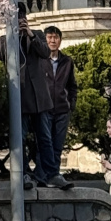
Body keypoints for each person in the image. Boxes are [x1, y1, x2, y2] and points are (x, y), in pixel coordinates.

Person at [0, 3, 50, 186]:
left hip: (39, 98)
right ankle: (24, 173)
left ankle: (46, 173)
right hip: (21, 98)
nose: (20, 21)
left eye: (21, 17)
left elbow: (45, 53)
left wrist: (31, 36)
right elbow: (1, 56)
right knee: (20, 138)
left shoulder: (38, 35)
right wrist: (14, 36)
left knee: (44, 138)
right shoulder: (5, 39)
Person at [37, 26, 77, 189]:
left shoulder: (67, 61)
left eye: (56, 37)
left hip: (62, 109)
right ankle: (42, 176)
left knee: (57, 145)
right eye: (49, 37)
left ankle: (54, 176)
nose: (53, 41)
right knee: (45, 143)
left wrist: (71, 103)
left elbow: (72, 85)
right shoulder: (40, 60)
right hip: (45, 108)